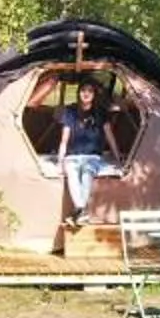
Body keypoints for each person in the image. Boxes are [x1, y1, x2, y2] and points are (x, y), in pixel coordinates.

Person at [59, 79, 118, 219]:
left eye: (90, 91)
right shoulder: (70, 111)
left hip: (92, 156)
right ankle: (82, 210)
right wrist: (59, 162)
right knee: (72, 174)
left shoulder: (100, 113)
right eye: (83, 90)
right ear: (78, 93)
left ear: (94, 95)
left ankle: (79, 210)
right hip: (72, 156)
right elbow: (64, 139)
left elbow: (110, 136)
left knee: (87, 173)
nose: (86, 94)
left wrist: (117, 157)